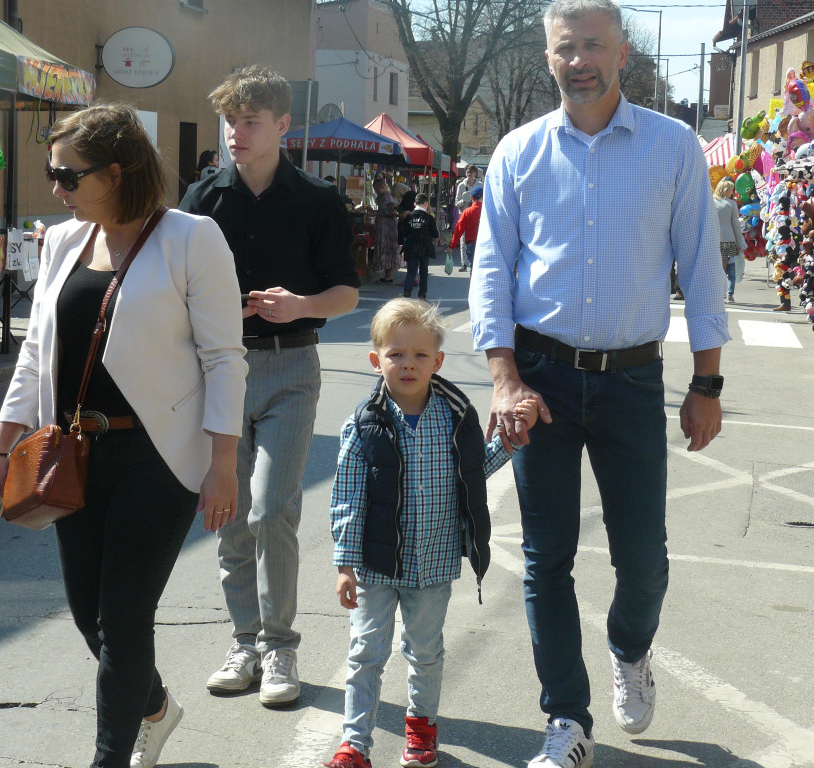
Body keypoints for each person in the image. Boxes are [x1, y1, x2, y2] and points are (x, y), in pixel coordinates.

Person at [469, 0, 729, 765]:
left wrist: (706, 384)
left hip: (631, 380)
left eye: (593, 46)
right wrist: (502, 376)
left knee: (642, 556)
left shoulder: (672, 145)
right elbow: (492, 272)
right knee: (546, 557)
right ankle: (567, 720)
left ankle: (628, 646)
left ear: (622, 56)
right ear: (547, 58)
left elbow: (703, 271)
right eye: (564, 48)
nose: (578, 60)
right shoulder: (517, 151)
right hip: (540, 380)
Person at [0, 103, 248, 768]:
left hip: (159, 459)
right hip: (74, 455)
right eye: (53, 173)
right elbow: (36, 354)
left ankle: (111, 756)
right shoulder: (67, 241)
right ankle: (153, 705)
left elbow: (224, 358)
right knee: (88, 618)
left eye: (68, 176)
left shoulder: (193, 238)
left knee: (124, 622)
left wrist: (223, 462)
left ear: (117, 171)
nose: (56, 188)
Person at [180, 65, 359, 708]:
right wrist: (226, 307)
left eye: (249, 121)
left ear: (283, 126)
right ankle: (244, 641)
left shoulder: (317, 199)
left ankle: (280, 646)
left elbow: (347, 294)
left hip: (289, 368)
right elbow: (179, 291)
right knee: (226, 512)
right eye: (229, 120)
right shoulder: (201, 200)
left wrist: (302, 305)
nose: (236, 132)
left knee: (273, 508)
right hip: (219, 370)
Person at [322, 299, 539, 768]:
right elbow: (347, 498)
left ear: (438, 361)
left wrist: (511, 438)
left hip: (434, 564)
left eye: (420, 355)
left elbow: (475, 472)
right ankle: (355, 744)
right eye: (396, 354)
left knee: (425, 652)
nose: (408, 364)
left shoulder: (455, 415)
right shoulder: (363, 424)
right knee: (366, 653)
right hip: (375, 566)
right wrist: (344, 564)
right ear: (376, 360)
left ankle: (421, 730)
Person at [713, 178, 746, 303]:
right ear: (726, 190)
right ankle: (725, 292)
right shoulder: (731, 204)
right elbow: (736, 226)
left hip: (713, 238)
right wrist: (739, 242)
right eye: (732, 190)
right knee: (725, 266)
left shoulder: (711, 201)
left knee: (715, 266)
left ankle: (717, 291)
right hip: (728, 239)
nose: (733, 192)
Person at [402, 193, 439, 301]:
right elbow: (435, 234)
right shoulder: (428, 218)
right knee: (424, 271)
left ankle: (407, 292)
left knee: (411, 270)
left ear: (415, 203)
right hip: (425, 247)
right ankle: (422, 295)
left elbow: (404, 232)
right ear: (426, 204)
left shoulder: (409, 217)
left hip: (411, 246)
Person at [371, 177, 400, 284]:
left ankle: (388, 276)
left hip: (387, 227)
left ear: (382, 187)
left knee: (387, 248)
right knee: (386, 249)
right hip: (383, 226)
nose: (376, 191)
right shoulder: (382, 197)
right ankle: (387, 275)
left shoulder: (388, 198)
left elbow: (392, 213)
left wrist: (376, 214)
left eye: (377, 188)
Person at [449, 185, 483, 272]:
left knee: (473, 269)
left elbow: (458, 229)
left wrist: (452, 246)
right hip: (486, 244)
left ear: (471, 197)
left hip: (471, 243)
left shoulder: (467, 212)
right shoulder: (488, 211)